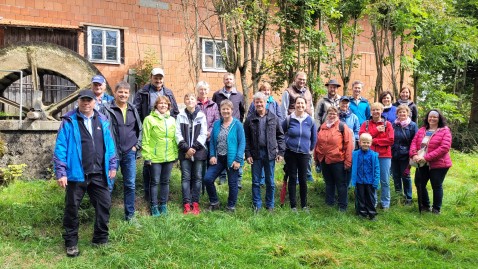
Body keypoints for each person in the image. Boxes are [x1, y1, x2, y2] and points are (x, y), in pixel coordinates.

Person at [53, 89, 117, 257]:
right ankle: (71, 243)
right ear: (78, 102)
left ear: (94, 102)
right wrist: (61, 172)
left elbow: (109, 146)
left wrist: (112, 166)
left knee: (104, 205)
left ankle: (100, 238)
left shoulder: (102, 120)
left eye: (89, 100)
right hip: (76, 174)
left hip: (98, 173)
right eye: (83, 100)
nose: (86, 103)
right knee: (72, 208)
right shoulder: (69, 121)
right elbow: (60, 147)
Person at [134, 67, 179, 202]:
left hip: (164, 130)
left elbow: (175, 111)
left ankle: (162, 198)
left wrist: (170, 125)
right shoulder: (143, 92)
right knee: (148, 166)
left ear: (163, 79)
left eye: (160, 78)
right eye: (156, 77)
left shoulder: (168, 93)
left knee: (163, 175)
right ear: (151, 78)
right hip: (149, 129)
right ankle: (148, 195)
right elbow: (136, 111)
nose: (158, 80)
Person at [101, 81, 142, 221]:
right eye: (120, 92)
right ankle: (104, 216)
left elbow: (139, 129)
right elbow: (100, 129)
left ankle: (130, 215)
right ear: (115, 93)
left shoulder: (132, 109)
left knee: (130, 184)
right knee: (109, 184)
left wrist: (136, 146)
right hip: (112, 153)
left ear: (129, 94)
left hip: (129, 152)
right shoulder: (106, 109)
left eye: (126, 92)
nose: (123, 95)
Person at [244, 92, 285, 213]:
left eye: (261, 101)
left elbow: (280, 136)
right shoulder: (250, 119)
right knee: (256, 181)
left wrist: (281, 153)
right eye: (257, 102)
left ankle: (270, 205)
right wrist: (248, 154)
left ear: (266, 103)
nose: (259, 104)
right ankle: (257, 205)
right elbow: (246, 138)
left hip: (270, 153)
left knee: (270, 181)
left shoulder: (273, 117)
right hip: (255, 153)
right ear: (254, 103)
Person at [203, 100, 246, 212]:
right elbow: (212, 141)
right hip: (219, 158)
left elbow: (242, 143)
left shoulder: (237, 125)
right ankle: (214, 202)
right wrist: (212, 155)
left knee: (232, 184)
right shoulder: (217, 124)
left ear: (232, 110)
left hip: (232, 159)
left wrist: (238, 159)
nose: (225, 111)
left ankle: (231, 206)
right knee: (207, 179)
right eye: (223, 109)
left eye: (228, 109)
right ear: (220, 110)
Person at [410, 109, 452, 214]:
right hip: (421, 162)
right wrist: (414, 154)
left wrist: (426, 157)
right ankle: (425, 205)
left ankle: (436, 209)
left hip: (439, 164)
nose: (432, 118)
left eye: (435, 117)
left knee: (436, 185)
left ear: (439, 119)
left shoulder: (445, 131)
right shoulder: (422, 130)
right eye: (430, 116)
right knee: (419, 183)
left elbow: (444, 148)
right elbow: (414, 143)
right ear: (427, 118)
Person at [142, 96, 178, 216]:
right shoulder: (149, 119)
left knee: (165, 181)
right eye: (160, 103)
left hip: (169, 156)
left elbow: (174, 139)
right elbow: (145, 139)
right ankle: (154, 206)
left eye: (165, 103)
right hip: (155, 157)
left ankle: (163, 205)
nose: (163, 105)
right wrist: (147, 156)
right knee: (155, 182)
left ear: (168, 106)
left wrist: (176, 154)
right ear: (156, 105)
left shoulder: (172, 120)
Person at [314, 107, 354, 211]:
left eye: (334, 114)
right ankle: (329, 204)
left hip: (338, 160)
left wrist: (348, 162)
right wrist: (316, 159)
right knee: (329, 183)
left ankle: (342, 206)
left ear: (338, 116)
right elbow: (317, 144)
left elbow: (349, 145)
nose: (332, 116)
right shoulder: (321, 128)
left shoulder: (342, 127)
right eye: (330, 114)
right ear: (327, 115)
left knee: (341, 184)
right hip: (324, 160)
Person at [282, 97, 317, 212]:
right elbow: (280, 133)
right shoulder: (289, 119)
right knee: (292, 178)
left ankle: (304, 205)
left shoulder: (310, 120)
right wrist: (284, 146)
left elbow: (314, 138)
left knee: (303, 179)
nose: (300, 105)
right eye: (298, 103)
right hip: (291, 153)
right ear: (295, 104)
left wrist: (309, 149)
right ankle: (293, 206)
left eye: (302, 103)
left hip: (304, 154)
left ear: (306, 105)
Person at [176, 93, 208, 215]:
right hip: (184, 152)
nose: (190, 100)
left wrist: (193, 148)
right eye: (187, 98)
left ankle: (195, 203)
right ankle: (186, 203)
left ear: (196, 101)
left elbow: (203, 133)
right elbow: (177, 134)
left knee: (198, 178)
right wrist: (186, 149)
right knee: (185, 178)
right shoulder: (180, 116)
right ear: (184, 101)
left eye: (192, 98)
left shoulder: (201, 116)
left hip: (198, 151)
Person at [211, 73, 245, 187]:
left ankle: (237, 179)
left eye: (230, 79)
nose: (228, 81)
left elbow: (242, 110)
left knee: (234, 151)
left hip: (234, 127)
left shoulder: (239, 95)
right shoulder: (217, 94)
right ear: (223, 81)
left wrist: (238, 122)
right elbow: (215, 109)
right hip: (221, 125)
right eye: (226, 79)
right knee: (222, 149)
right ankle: (222, 177)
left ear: (234, 81)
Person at [246, 82, 283, 186]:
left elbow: (279, 118)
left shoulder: (274, 103)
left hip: (270, 141)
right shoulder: (254, 106)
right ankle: (260, 184)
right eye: (264, 90)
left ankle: (270, 201)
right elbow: (249, 122)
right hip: (256, 142)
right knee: (256, 177)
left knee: (270, 178)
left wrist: (275, 124)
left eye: (268, 90)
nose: (259, 104)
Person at [280, 71, 314, 183]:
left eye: (304, 80)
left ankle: (307, 174)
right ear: (295, 79)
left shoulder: (308, 92)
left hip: (306, 124)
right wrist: (287, 124)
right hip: (292, 124)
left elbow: (311, 108)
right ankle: (291, 175)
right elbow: (283, 110)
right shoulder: (288, 92)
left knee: (306, 151)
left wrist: (311, 120)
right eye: (300, 79)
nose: (302, 81)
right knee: (292, 152)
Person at [359, 102, 394, 210]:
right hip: (370, 155)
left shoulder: (387, 124)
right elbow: (362, 138)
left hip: (384, 156)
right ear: (371, 111)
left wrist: (374, 141)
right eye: (373, 110)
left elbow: (390, 140)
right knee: (372, 180)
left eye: (378, 110)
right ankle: (372, 202)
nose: (375, 112)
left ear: (382, 111)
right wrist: (375, 131)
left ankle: (385, 203)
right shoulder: (366, 124)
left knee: (385, 180)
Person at [391, 105, 418, 205]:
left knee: (405, 176)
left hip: (406, 155)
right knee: (396, 176)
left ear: (408, 113)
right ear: (397, 113)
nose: (402, 114)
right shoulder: (393, 125)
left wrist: (412, 154)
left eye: (404, 112)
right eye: (400, 112)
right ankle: (398, 196)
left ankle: (408, 198)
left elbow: (415, 141)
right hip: (394, 154)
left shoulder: (412, 125)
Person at [351, 133, 380, 220]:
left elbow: (377, 169)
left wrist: (376, 181)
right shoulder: (355, 154)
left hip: (370, 181)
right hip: (359, 181)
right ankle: (362, 213)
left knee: (370, 198)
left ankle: (372, 213)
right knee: (361, 197)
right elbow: (353, 167)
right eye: (363, 142)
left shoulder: (374, 155)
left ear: (371, 143)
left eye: (367, 142)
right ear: (359, 142)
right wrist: (353, 180)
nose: (365, 144)